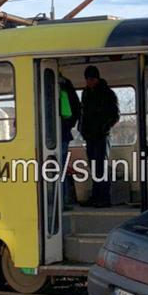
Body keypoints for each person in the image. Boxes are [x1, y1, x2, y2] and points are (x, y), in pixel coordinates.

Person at [79, 65, 119, 208]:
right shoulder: (85, 94)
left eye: (91, 79)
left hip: (102, 136)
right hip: (89, 136)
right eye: (87, 79)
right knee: (94, 167)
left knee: (101, 166)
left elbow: (115, 115)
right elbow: (83, 114)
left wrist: (104, 128)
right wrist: (82, 130)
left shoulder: (108, 93)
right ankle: (96, 196)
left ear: (96, 78)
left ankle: (104, 198)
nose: (89, 82)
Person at [59, 73, 81, 210]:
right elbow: (76, 110)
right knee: (61, 167)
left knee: (58, 168)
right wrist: (68, 126)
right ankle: (64, 200)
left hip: (55, 134)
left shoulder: (45, 84)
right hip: (64, 134)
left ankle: (60, 201)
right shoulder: (67, 86)